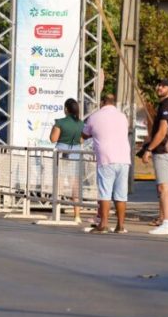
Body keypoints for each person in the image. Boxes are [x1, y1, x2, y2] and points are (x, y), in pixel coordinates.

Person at [81, 94, 130, 234]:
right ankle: (120, 226)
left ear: (102, 102)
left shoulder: (95, 117)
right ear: (113, 103)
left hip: (106, 159)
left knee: (105, 193)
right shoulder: (122, 116)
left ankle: (103, 224)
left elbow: (85, 134)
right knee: (121, 194)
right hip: (124, 159)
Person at [143, 79, 168, 235]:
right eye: (159, 85)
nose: (160, 87)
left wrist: (149, 148)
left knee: (164, 186)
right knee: (166, 187)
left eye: (164, 86)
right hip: (165, 149)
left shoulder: (167, 105)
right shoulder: (163, 105)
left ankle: (167, 222)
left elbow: (162, 131)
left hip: (163, 151)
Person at [49, 98, 84, 222]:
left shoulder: (60, 122)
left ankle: (56, 212)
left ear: (66, 109)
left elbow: (53, 139)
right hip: (76, 153)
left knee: (59, 183)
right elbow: (81, 140)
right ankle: (77, 215)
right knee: (75, 185)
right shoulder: (81, 123)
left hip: (61, 152)